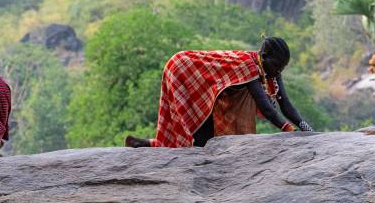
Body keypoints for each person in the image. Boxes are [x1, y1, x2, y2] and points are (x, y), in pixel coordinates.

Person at [125, 36, 313, 148]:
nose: (280, 71)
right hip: (185, 69)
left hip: (200, 79)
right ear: (264, 57)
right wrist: (288, 129)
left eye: (283, 68)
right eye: (278, 66)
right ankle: (156, 145)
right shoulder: (249, 66)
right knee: (194, 132)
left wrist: (306, 129)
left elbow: (285, 105)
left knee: (206, 139)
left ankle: (148, 144)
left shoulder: (270, 70)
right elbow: (267, 107)